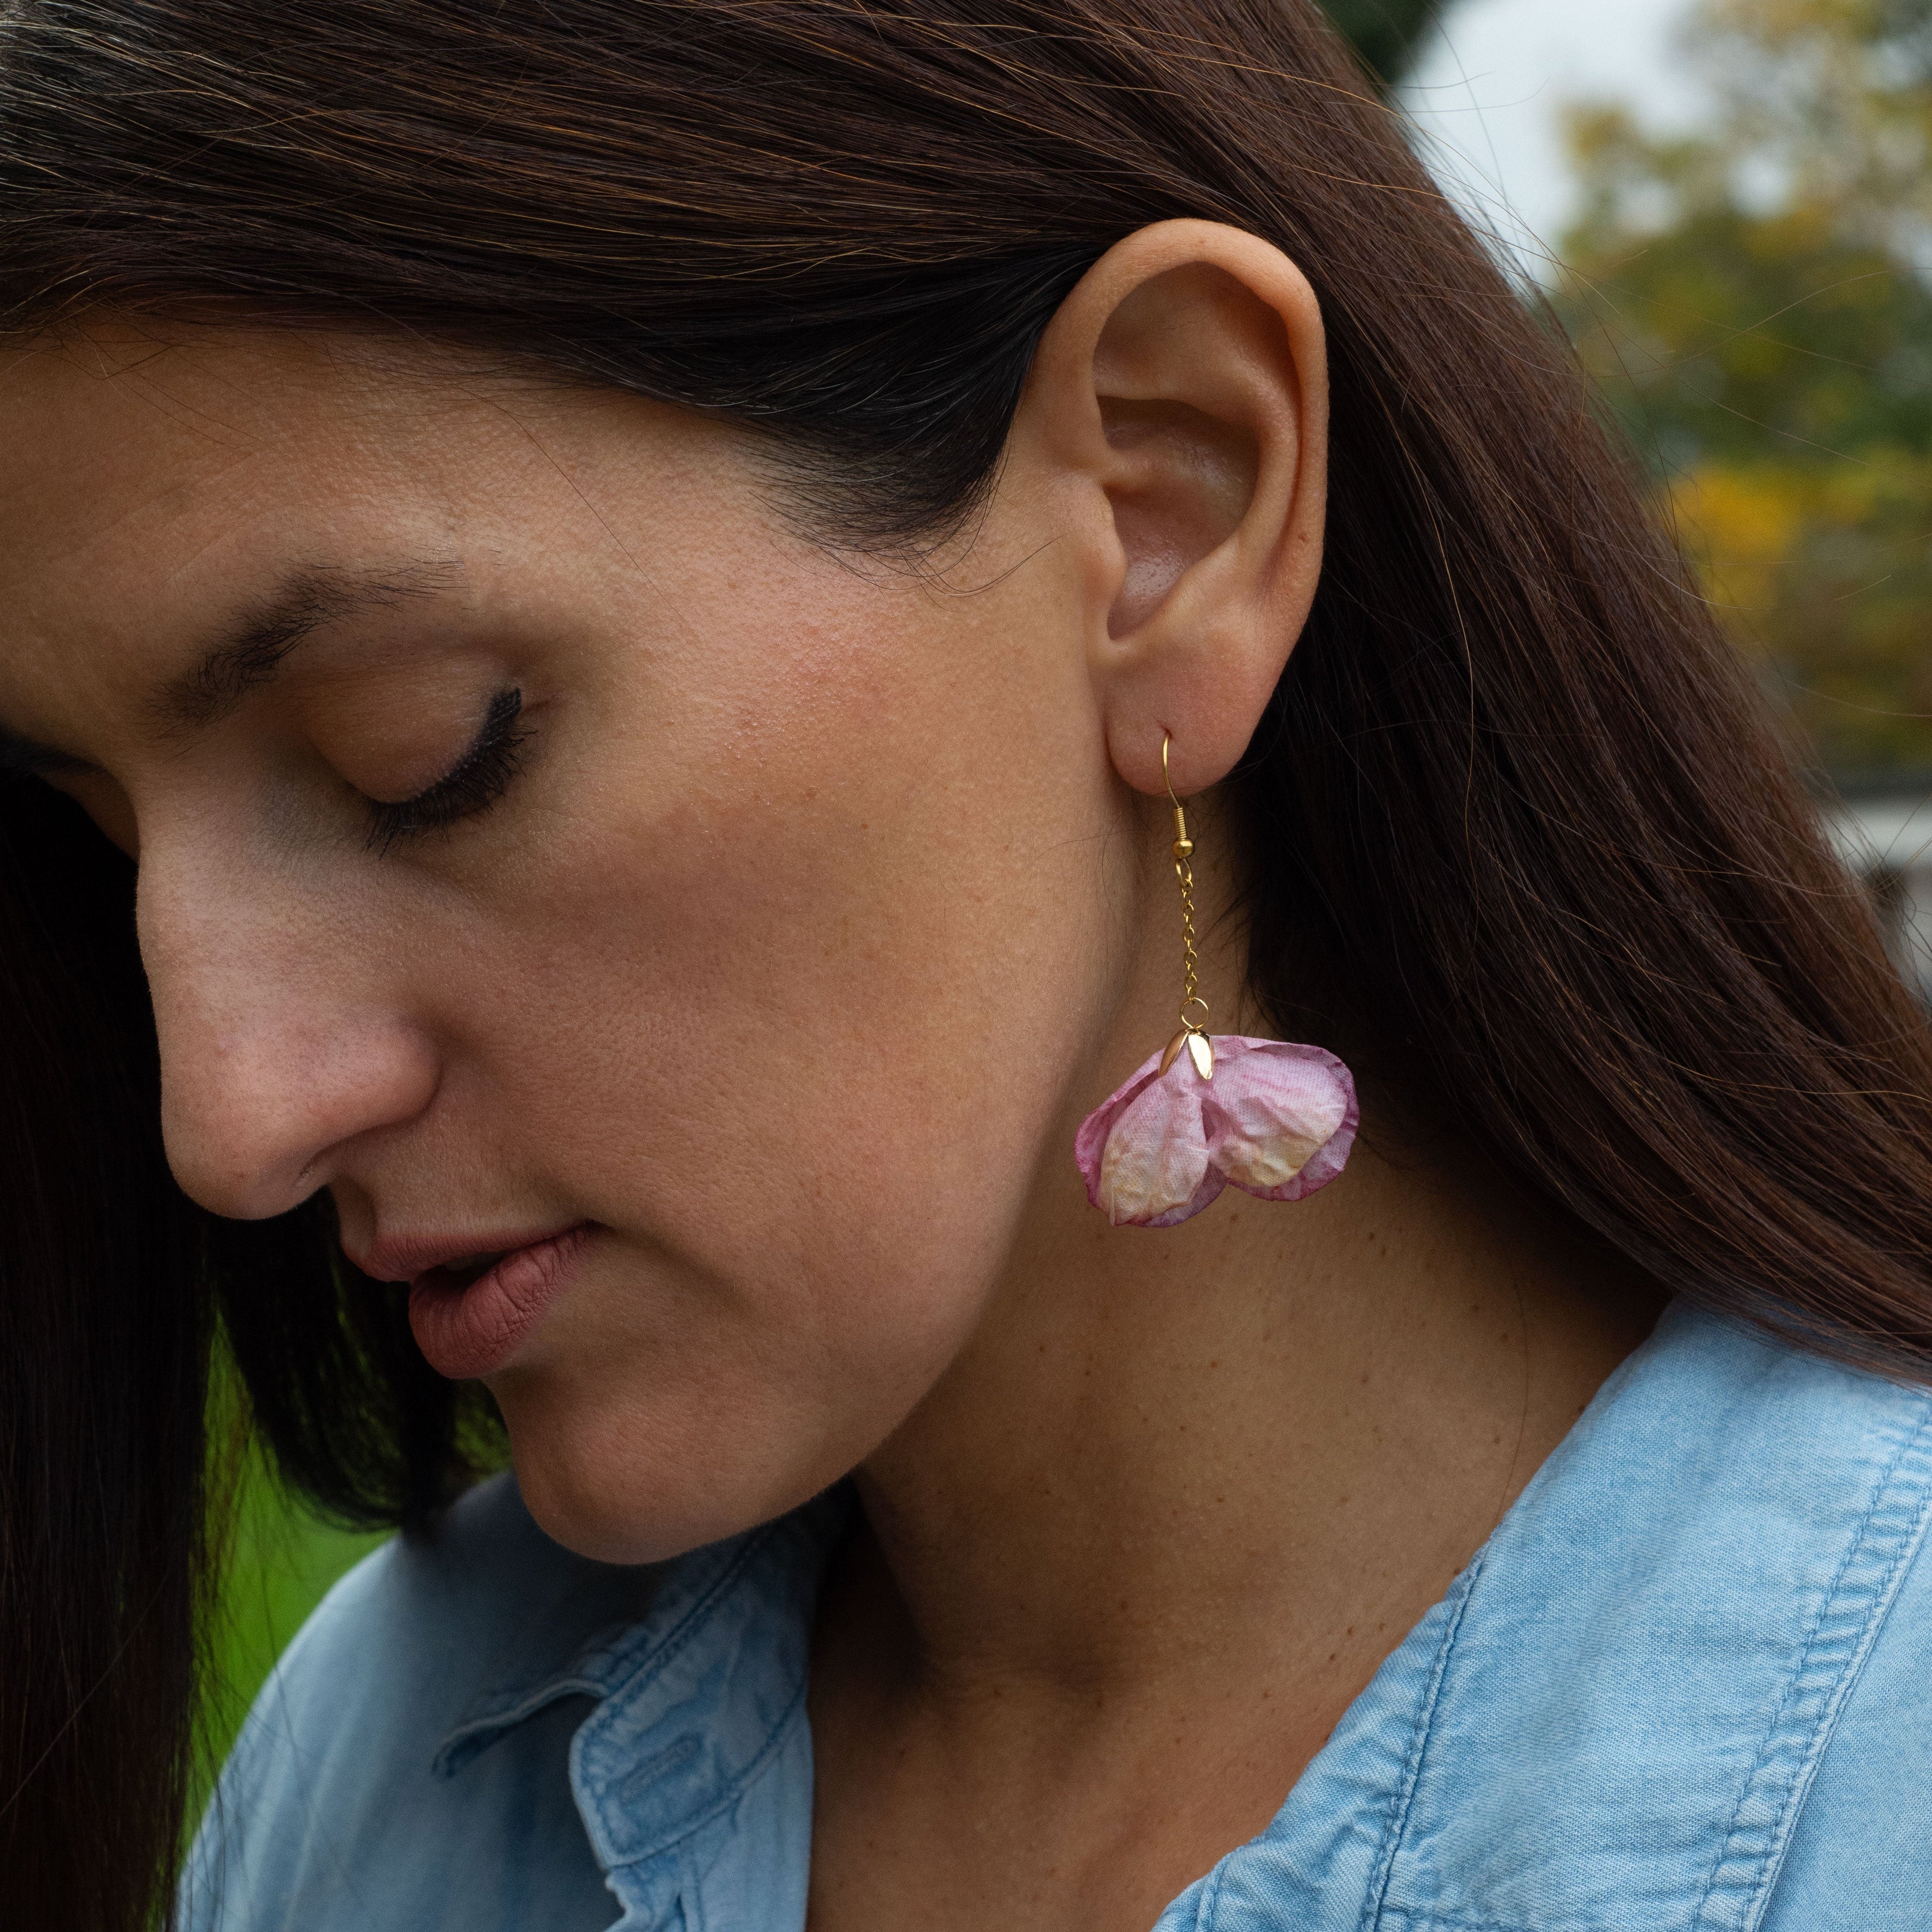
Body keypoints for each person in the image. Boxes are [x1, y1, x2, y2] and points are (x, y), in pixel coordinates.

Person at [3, 2, 1930, 1928]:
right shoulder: (383, 1776)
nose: (231, 1124)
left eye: (426, 757)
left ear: (1169, 507)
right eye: (107, 854)